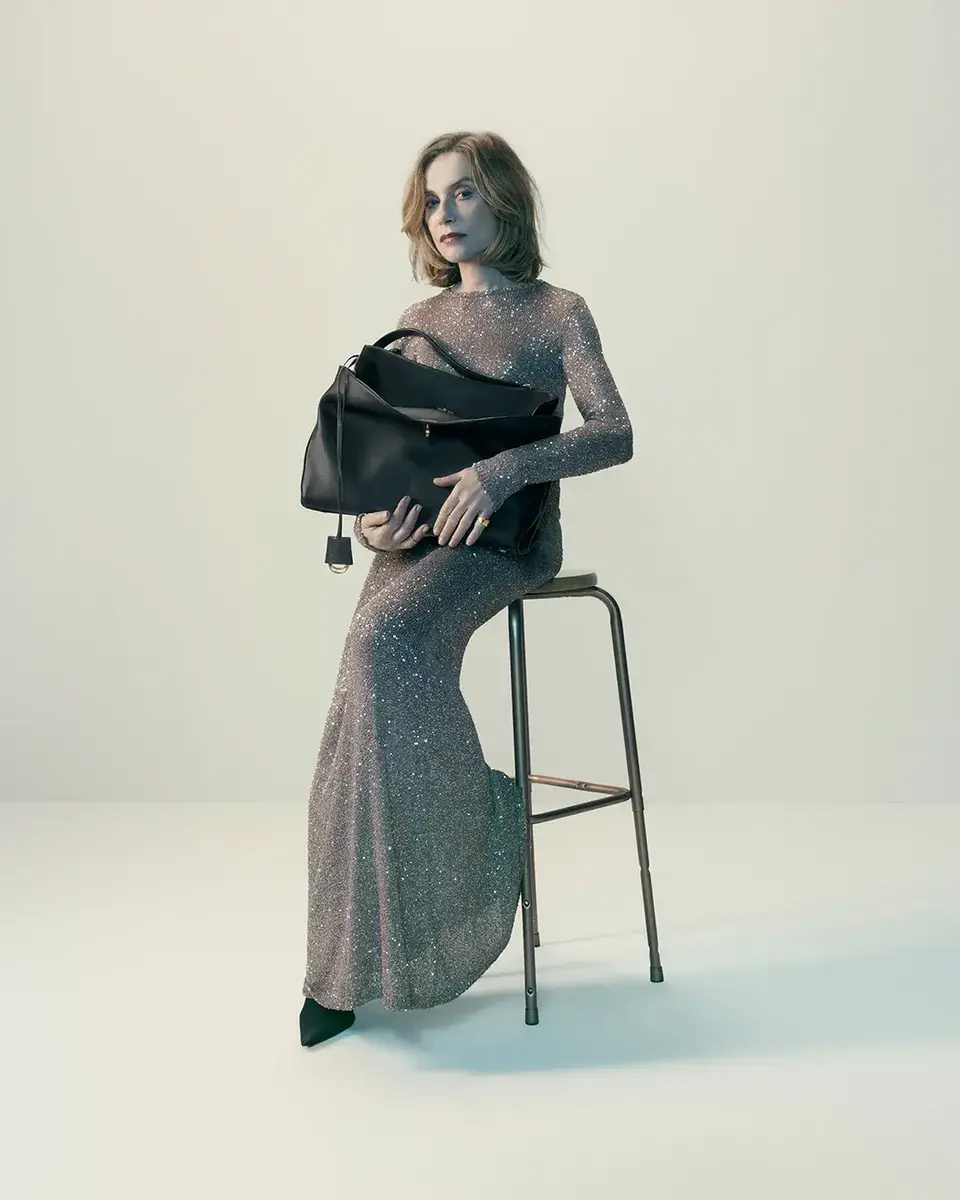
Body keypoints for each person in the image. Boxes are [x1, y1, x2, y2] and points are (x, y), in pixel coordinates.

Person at [300, 130, 633, 1047]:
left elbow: (614, 431)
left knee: (382, 646)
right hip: (423, 538)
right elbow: (397, 451)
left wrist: (505, 471)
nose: (444, 214)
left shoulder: (558, 311)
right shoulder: (422, 315)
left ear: (505, 201)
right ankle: (342, 965)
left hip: (508, 539)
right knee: (359, 685)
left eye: (465, 194)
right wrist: (374, 524)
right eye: (433, 199)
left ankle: (487, 831)